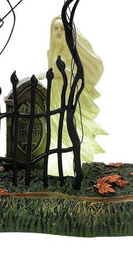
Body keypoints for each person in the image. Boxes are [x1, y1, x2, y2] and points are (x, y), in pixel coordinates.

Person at [45, 16, 107, 175]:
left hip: (67, 93)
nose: (58, 31)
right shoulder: (50, 52)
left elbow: (73, 72)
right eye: (55, 28)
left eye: (62, 28)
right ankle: (58, 164)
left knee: (69, 126)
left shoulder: (71, 53)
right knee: (55, 128)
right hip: (54, 94)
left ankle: (73, 162)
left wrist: (60, 72)